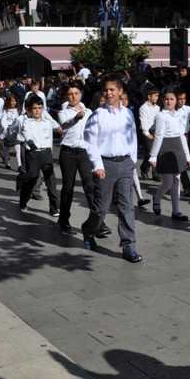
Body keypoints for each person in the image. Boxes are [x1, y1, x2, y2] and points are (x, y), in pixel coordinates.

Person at [81, 75, 143, 263]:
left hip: (125, 164)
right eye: (106, 90)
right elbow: (89, 142)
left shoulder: (128, 114)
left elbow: (132, 138)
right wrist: (98, 165)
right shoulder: (98, 115)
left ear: (120, 91)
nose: (108, 93)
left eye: (112, 90)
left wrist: (132, 161)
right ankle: (88, 230)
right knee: (101, 208)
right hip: (105, 166)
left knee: (126, 206)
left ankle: (129, 245)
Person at [56, 83, 95, 235]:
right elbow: (64, 125)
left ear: (81, 94)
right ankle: (64, 220)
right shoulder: (63, 112)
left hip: (84, 152)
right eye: (70, 94)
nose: (73, 96)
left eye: (76, 93)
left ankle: (97, 221)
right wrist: (76, 118)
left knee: (90, 186)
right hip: (68, 153)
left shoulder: (89, 111)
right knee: (68, 188)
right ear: (67, 96)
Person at [149, 87, 190, 221]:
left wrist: (188, 156)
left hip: (177, 148)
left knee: (177, 180)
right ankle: (157, 197)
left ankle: (176, 211)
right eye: (166, 99)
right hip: (165, 148)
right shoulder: (161, 116)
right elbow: (159, 136)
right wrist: (153, 156)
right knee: (168, 182)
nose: (169, 101)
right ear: (163, 101)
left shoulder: (178, 114)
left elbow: (182, 136)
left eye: (172, 99)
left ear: (176, 101)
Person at [17, 96, 62, 216]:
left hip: (46, 153)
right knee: (31, 179)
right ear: (30, 110)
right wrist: (31, 144)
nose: (37, 110)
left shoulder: (48, 122)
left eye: (40, 108)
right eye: (35, 108)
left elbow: (61, 127)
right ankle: (23, 201)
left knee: (51, 182)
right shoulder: (26, 123)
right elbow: (27, 136)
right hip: (33, 154)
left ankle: (54, 208)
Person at [138, 88, 160, 181]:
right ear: (149, 96)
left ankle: (156, 174)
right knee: (150, 153)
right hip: (146, 132)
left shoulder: (158, 108)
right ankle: (144, 169)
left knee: (156, 152)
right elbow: (143, 122)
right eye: (155, 96)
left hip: (156, 131)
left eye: (157, 96)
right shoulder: (143, 108)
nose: (157, 98)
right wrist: (147, 134)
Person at [0, 95, 21, 170]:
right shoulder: (5, 111)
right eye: (11, 101)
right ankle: (7, 163)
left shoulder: (18, 110)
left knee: (18, 148)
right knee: (7, 149)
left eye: (14, 101)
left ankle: (19, 165)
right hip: (7, 132)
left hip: (16, 133)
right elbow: (3, 121)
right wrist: (6, 129)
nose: (13, 103)